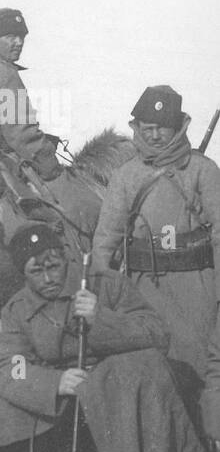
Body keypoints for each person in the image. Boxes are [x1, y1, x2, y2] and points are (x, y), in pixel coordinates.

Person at [0, 224, 219, 452]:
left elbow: (156, 333)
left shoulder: (105, 284)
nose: (48, 278)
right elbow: (8, 366)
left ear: (65, 258)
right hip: (62, 403)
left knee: (146, 365)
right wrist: (54, 382)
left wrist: (102, 318)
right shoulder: (18, 309)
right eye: (36, 272)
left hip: (118, 393)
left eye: (54, 266)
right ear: (23, 273)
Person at [91, 86, 220, 400]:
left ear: (178, 128)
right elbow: (107, 239)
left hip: (196, 287)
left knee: (197, 367)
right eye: (147, 128)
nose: (155, 136)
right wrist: (101, 291)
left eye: (162, 128)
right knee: (151, 368)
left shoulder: (203, 170)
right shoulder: (126, 176)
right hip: (143, 290)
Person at [0, 7, 101, 239]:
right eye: (11, 36)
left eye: (21, 37)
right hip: (7, 162)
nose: (18, 42)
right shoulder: (3, 72)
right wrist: (50, 164)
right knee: (90, 212)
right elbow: (20, 134)